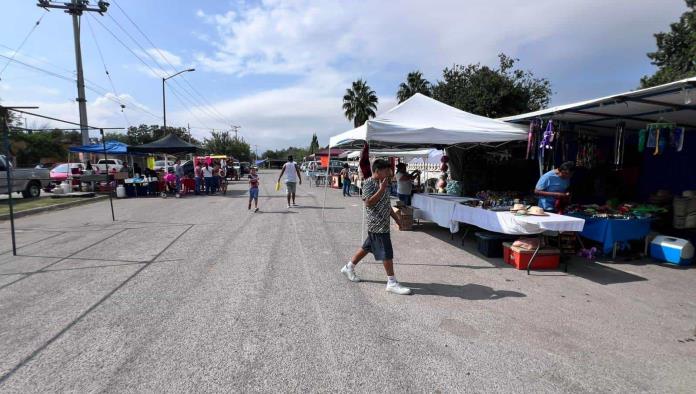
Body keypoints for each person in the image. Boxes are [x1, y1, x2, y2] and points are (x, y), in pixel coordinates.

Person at [340, 159, 412, 295]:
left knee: (367, 247)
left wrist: (397, 219)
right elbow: (368, 202)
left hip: (383, 223)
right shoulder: (368, 183)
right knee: (387, 252)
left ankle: (348, 267)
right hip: (377, 224)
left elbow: (386, 204)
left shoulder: (384, 183)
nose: (389, 173)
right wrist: (381, 189)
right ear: (377, 171)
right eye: (386, 170)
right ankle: (391, 282)